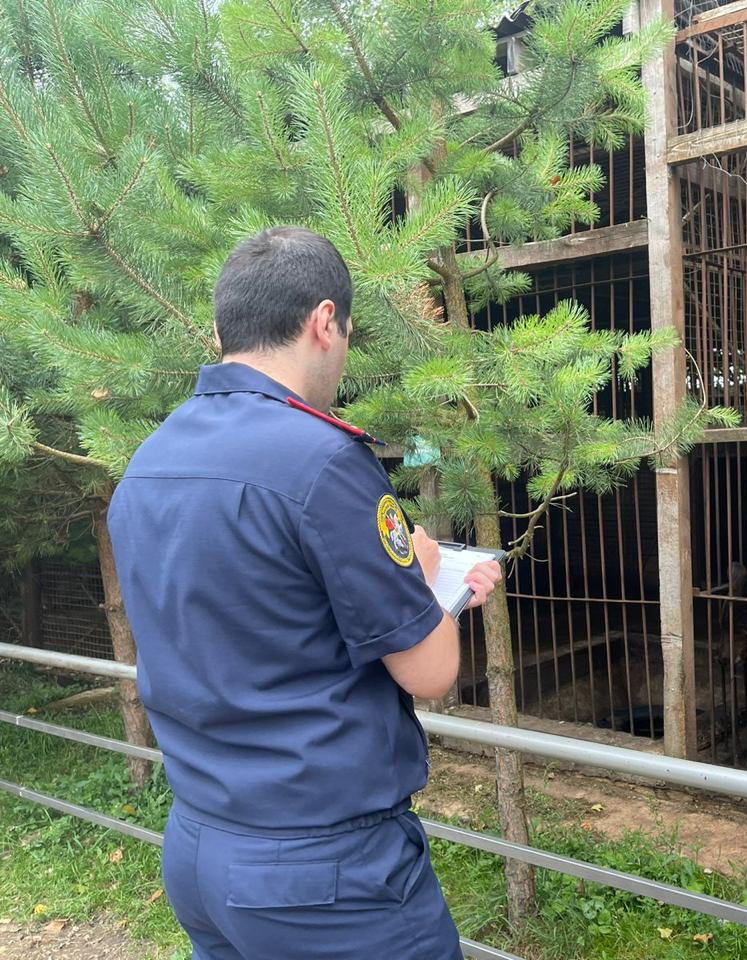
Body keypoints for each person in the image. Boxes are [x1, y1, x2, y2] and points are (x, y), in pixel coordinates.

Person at [107, 226, 500, 960]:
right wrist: (423, 582)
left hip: (198, 845)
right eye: (346, 333)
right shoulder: (322, 462)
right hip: (323, 879)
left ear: (224, 329)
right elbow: (432, 672)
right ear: (325, 322)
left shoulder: (149, 461)